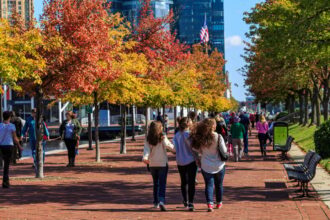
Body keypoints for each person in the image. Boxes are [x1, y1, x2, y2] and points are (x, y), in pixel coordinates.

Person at [190, 119, 227, 212]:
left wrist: (201, 152)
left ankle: (210, 204)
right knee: (219, 185)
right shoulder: (218, 136)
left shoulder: (201, 137)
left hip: (206, 164)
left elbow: (195, 148)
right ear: (213, 126)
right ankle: (219, 202)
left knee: (209, 185)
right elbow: (224, 150)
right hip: (219, 164)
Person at [142, 121, 175, 211]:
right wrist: (175, 150)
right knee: (162, 183)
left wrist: (145, 158)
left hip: (152, 164)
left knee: (155, 183)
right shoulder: (162, 137)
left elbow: (146, 150)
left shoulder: (148, 138)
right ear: (160, 128)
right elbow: (169, 146)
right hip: (162, 163)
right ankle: (161, 201)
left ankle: (155, 202)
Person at [173, 117, 197, 211]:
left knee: (184, 182)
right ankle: (191, 202)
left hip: (180, 161)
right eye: (191, 121)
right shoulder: (190, 134)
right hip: (191, 160)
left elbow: (173, 149)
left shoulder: (176, 135)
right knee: (191, 182)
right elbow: (195, 147)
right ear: (188, 123)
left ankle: (185, 200)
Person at [0, 111, 22, 188]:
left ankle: (5, 182)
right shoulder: (12, 126)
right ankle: (5, 183)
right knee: (6, 165)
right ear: (9, 117)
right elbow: (15, 138)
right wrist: (19, 146)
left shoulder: (0, 126)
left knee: (3, 164)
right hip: (9, 146)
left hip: (1, 146)